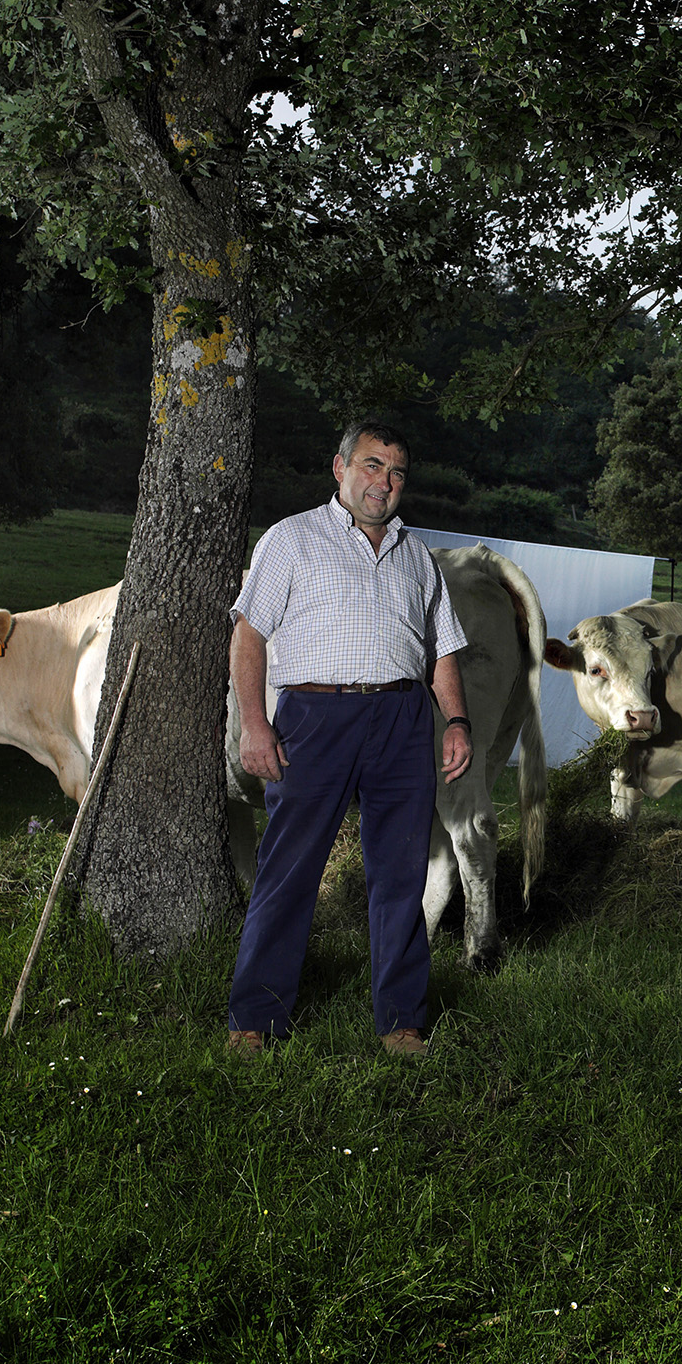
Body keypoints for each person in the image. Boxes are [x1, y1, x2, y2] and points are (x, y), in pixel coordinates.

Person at [226, 420, 473, 1058]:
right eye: (371, 465)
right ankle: (255, 1019)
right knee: (289, 869)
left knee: (401, 874)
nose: (383, 482)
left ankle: (401, 1021)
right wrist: (255, 723)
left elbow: (442, 650)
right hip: (315, 717)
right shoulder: (291, 538)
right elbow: (249, 635)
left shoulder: (417, 557)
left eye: (396, 472)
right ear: (340, 468)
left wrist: (456, 722)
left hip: (403, 719)